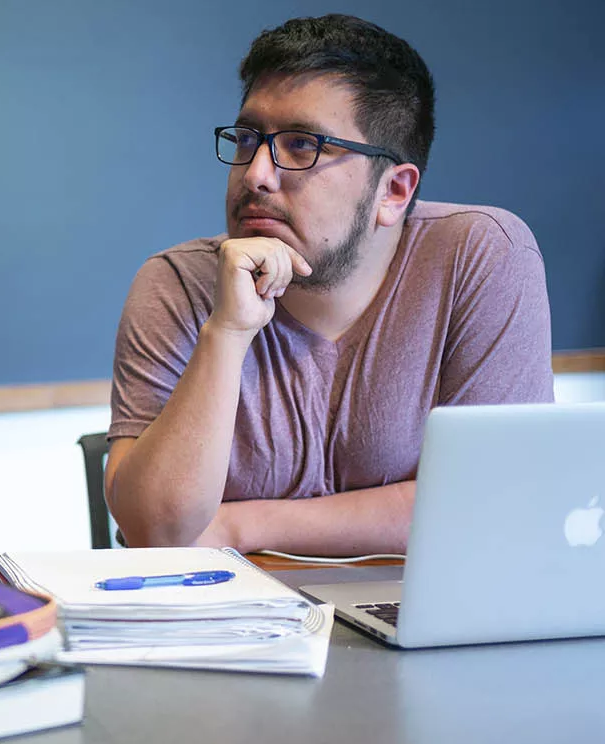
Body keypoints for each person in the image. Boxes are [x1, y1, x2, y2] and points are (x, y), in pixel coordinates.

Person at [105, 14, 553, 556]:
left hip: (417, 615)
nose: (255, 174)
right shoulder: (177, 282)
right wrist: (226, 332)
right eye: (248, 139)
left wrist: (239, 527)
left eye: (301, 145)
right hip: (235, 621)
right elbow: (156, 532)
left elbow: (496, 504)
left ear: (393, 191)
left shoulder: (480, 255)